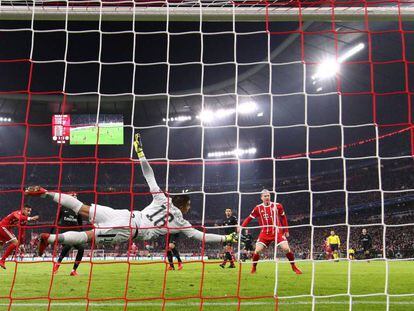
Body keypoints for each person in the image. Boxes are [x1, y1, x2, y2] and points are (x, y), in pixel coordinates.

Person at [25, 133, 237, 255]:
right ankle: (50, 238)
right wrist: (226, 236)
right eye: (189, 206)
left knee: (82, 208)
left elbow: (149, 175)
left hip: (126, 213)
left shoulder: (162, 198)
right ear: (185, 206)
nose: (189, 209)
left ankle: (46, 193)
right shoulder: (180, 222)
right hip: (128, 229)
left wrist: (141, 154)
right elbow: (202, 237)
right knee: (88, 238)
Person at [240, 190, 302, 275]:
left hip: (277, 231)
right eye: (265, 196)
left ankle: (294, 267)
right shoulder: (258, 208)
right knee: (257, 250)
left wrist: (286, 230)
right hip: (265, 232)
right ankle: (254, 268)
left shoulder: (278, 206)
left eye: (268, 196)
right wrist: (241, 226)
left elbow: (283, 217)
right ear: (261, 198)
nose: (267, 197)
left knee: (286, 248)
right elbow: (249, 218)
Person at [51, 193, 85, 276]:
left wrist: (84, 235)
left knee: (81, 248)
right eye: (73, 198)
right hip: (65, 233)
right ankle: (57, 264)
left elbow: (80, 225)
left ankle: (73, 270)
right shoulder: (62, 208)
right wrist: (51, 232)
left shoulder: (78, 210)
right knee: (68, 245)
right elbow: (56, 221)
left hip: (75, 233)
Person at [0, 204, 39, 269]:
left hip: (7, 229)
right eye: (28, 210)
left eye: (30, 211)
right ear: (23, 209)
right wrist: (30, 218)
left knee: (0, 245)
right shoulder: (17, 213)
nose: (29, 213)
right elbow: (18, 217)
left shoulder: (24, 220)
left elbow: (22, 231)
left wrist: (21, 244)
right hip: (3, 227)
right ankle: (2, 260)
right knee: (15, 243)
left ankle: (2, 260)